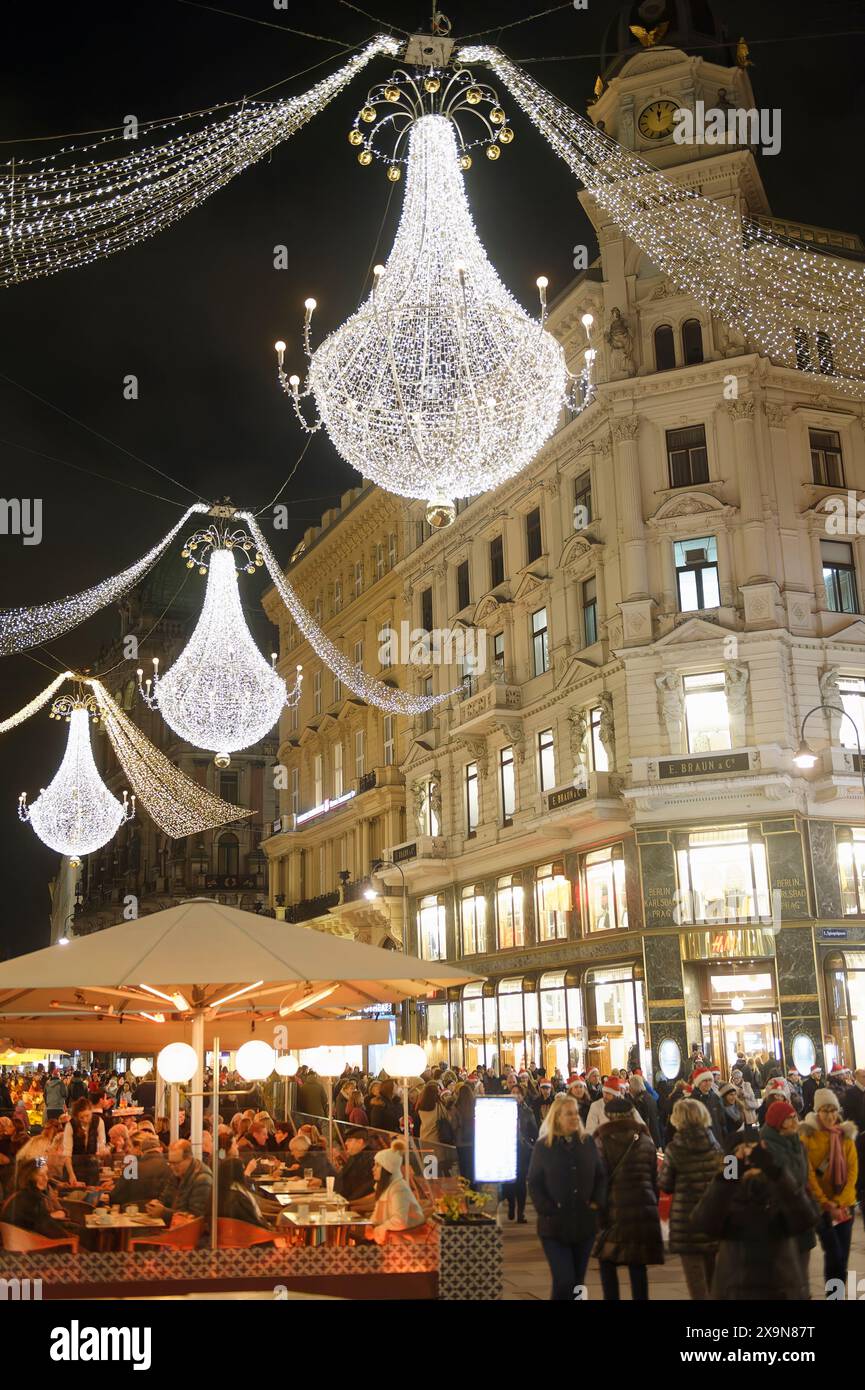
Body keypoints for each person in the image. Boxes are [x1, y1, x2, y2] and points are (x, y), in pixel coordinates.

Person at [691, 1126, 818, 1299]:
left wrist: (775, 1171)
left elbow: (806, 1218)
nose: (749, 1158)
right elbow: (703, 1222)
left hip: (780, 1288)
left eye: (754, 1151)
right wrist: (729, 1176)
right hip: (735, 1290)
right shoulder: (725, 1194)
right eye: (741, 1153)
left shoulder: (780, 1189)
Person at [527, 1094, 605, 1301]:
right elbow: (534, 1182)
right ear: (557, 1117)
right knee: (564, 1280)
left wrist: (596, 1203)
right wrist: (547, 1208)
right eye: (569, 1114)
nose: (574, 1118)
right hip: (554, 1226)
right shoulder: (544, 1147)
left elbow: (600, 1175)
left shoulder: (587, 1142)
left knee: (577, 1284)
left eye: (576, 1113)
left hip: (584, 1224)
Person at [593, 1097, 663, 1300]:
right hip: (642, 1208)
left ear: (608, 1116)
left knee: (607, 1261)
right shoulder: (644, 1139)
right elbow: (653, 1178)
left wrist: (598, 1209)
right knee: (637, 1264)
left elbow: (600, 1180)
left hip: (613, 1209)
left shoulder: (602, 1140)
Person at [659, 1098, 723, 1299]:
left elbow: (666, 1185)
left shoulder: (674, 1149)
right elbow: (729, 1179)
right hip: (713, 1219)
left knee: (696, 1283)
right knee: (715, 1282)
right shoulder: (716, 1148)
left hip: (687, 1222)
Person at [799, 1087, 859, 1293]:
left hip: (845, 1205)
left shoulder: (845, 1136)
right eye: (825, 1111)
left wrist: (840, 1202)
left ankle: (836, 1296)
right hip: (821, 1207)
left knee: (842, 1257)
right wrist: (826, 1202)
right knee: (833, 1253)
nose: (830, 1115)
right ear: (817, 1112)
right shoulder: (808, 1137)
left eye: (833, 1110)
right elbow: (807, 1174)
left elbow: (852, 1171)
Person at [759, 1100, 818, 1294]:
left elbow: (803, 1176)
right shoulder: (765, 1147)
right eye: (789, 1119)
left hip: (800, 1214)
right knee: (787, 1278)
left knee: (803, 1275)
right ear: (778, 1122)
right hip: (781, 1219)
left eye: (795, 1117)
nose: (795, 1121)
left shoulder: (798, 1144)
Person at [367, 1142, 426, 1245]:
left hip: (405, 1242)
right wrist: (370, 1224)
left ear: (387, 1169)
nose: (373, 1169)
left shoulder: (399, 1189)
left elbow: (400, 1221)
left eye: (377, 1165)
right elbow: (378, 1214)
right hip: (391, 1238)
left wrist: (378, 1230)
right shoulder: (385, 1188)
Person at [146, 1139, 213, 1229]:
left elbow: (195, 1218)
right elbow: (165, 1198)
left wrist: (163, 1213)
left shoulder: (202, 1180)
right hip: (175, 1228)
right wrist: (155, 1205)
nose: (173, 1167)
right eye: (170, 1163)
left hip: (190, 1235)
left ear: (189, 1159)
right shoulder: (177, 1174)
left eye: (176, 1163)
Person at [0, 1158, 72, 1240]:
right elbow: (49, 1229)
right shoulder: (31, 1197)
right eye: (41, 1175)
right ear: (29, 1177)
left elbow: (37, 1220)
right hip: (26, 1246)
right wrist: (69, 1238)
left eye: (46, 1174)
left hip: (17, 1242)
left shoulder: (21, 1193)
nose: (46, 1178)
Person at [501, 1084, 538, 1223]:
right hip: (507, 1149)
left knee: (521, 1182)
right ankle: (511, 1204)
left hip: (523, 1150)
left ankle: (520, 1213)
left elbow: (534, 1131)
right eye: (513, 1092)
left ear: (523, 1096)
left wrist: (532, 1144)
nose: (516, 1095)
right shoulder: (503, 1110)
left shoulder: (528, 1112)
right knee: (509, 1182)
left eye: (518, 1093)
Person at [62, 1097, 107, 1187]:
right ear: (76, 1116)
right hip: (73, 1167)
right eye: (81, 1117)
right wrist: (71, 1175)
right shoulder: (70, 1125)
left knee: (92, 1195)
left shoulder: (98, 1122)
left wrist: (102, 1151)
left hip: (92, 1167)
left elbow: (102, 1144)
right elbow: (67, 1153)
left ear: (91, 1111)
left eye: (87, 1116)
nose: (85, 1119)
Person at [334, 1129, 378, 1211]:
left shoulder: (371, 1159)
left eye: (349, 1140)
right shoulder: (354, 1156)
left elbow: (365, 1187)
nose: (346, 1143)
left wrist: (349, 1202)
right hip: (342, 1201)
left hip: (355, 1205)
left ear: (360, 1142)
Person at [691, 1066, 729, 1146]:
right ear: (698, 1083)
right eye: (705, 1081)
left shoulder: (715, 1097)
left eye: (710, 1080)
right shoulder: (692, 1101)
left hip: (718, 1140)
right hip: (701, 1144)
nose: (708, 1083)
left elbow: (722, 1121)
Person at [628, 1073, 662, 1147]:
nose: (629, 1089)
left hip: (648, 1139)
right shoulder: (649, 1097)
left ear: (635, 1086)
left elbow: (641, 1121)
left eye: (630, 1086)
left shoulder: (640, 1101)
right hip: (655, 1135)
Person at [452, 1083, 475, 1183]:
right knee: (473, 1167)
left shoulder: (456, 1108)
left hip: (460, 1142)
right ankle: (474, 1192)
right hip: (474, 1142)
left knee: (464, 1168)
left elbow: (454, 1125)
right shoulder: (475, 1106)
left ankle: (465, 1190)